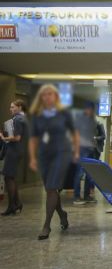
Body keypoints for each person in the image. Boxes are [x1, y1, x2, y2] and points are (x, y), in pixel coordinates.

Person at [29, 84, 80, 240]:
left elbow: (74, 133)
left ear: (56, 96)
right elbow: (33, 138)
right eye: (44, 94)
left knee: (52, 187)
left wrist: (76, 151)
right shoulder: (37, 115)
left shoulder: (63, 113)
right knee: (51, 189)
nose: (47, 97)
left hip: (61, 152)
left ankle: (46, 226)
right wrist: (32, 157)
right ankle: (62, 214)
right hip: (44, 154)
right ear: (41, 98)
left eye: (50, 94)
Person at [0, 99, 29, 216]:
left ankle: (12, 205)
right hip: (19, 151)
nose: (10, 109)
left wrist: (3, 138)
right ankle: (17, 203)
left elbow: (16, 138)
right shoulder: (24, 118)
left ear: (20, 107)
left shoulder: (18, 119)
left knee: (8, 177)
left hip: (13, 151)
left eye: (13, 107)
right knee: (11, 177)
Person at [73, 102, 99, 204]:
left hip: (90, 149)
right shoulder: (80, 119)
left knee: (89, 174)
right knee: (79, 174)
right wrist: (76, 151)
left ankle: (87, 196)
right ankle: (77, 196)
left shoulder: (92, 120)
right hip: (81, 149)